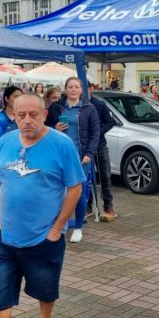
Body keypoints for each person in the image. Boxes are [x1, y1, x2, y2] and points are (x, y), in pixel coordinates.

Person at [0, 93, 85, 318]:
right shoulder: (5, 141)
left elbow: (75, 188)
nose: (27, 120)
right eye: (21, 115)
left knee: (46, 291)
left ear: (45, 115)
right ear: (14, 116)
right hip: (4, 237)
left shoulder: (62, 144)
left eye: (33, 115)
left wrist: (57, 229)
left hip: (43, 237)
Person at [46, 77, 100, 243]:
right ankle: (57, 224)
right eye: (70, 87)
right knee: (57, 191)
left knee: (79, 193)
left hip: (80, 157)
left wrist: (89, 154)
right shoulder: (56, 107)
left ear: (81, 90)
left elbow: (95, 133)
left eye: (77, 87)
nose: (73, 90)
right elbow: (44, 128)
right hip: (59, 156)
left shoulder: (89, 108)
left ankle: (78, 227)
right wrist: (54, 128)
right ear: (66, 89)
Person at [88, 85, 117, 222]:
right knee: (86, 178)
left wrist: (99, 130)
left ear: (90, 89)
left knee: (105, 176)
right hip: (85, 147)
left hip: (100, 145)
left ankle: (108, 206)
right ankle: (88, 206)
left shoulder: (99, 104)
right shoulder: (78, 105)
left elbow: (110, 122)